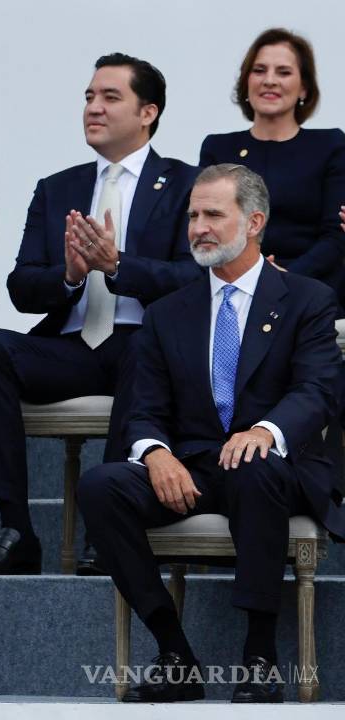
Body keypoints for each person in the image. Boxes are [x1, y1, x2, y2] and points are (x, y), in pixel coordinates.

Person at [78, 164, 344, 703]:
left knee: (253, 466)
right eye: (193, 215)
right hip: (195, 466)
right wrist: (155, 453)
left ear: (254, 222)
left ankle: (259, 657)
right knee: (101, 486)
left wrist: (266, 430)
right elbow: (144, 405)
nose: (198, 227)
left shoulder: (307, 299)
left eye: (213, 215)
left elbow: (318, 389)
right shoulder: (167, 313)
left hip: (278, 467)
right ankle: (175, 652)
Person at [0, 53, 201, 576]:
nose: (94, 107)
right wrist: (68, 276)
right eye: (89, 97)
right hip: (70, 347)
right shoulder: (58, 187)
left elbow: (195, 280)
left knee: (143, 348)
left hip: (142, 346)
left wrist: (119, 266)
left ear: (148, 113)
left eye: (110, 97)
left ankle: (106, 528)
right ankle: (15, 529)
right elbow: (22, 286)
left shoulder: (185, 184)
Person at [200, 28, 345, 311]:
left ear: (304, 88)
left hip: (311, 294)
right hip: (234, 291)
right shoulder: (218, 148)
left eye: (283, 72)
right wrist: (252, 277)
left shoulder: (331, 145)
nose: (269, 80)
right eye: (259, 70)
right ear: (246, 82)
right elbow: (207, 225)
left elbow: (336, 233)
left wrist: (283, 278)